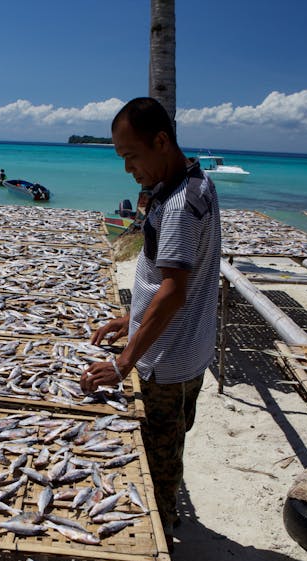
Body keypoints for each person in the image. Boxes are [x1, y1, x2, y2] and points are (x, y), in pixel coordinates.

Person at [79, 97, 221, 537]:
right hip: (192, 351)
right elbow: (177, 277)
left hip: (166, 361)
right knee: (173, 439)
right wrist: (132, 317)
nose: (128, 169)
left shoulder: (178, 205)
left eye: (131, 156)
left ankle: (162, 533)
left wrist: (124, 362)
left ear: (161, 141)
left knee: (158, 459)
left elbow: (175, 291)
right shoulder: (198, 182)